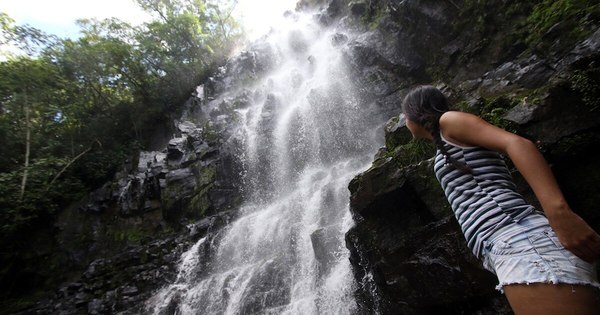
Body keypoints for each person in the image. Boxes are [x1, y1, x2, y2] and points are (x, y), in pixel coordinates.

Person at [400, 85, 600, 314]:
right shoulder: (445, 140)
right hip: (510, 246)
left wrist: (559, 213)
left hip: (520, 239)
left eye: (405, 114)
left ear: (416, 113)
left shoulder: (449, 121)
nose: (404, 121)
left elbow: (518, 144)